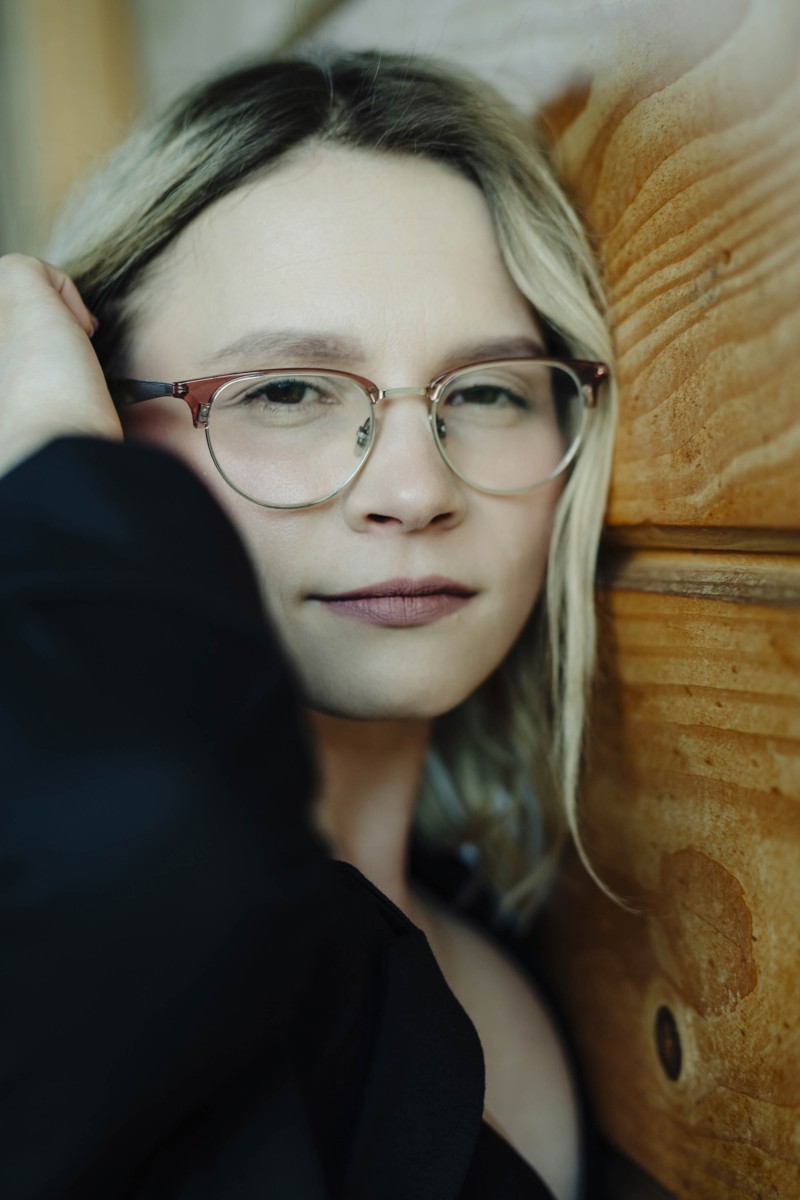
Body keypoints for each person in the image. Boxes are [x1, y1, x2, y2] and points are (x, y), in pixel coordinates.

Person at [0, 50, 616, 1200]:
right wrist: (48, 468)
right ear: (101, 422)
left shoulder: (528, 960)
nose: (413, 491)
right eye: (284, 390)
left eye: (485, 391)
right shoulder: (52, 975)